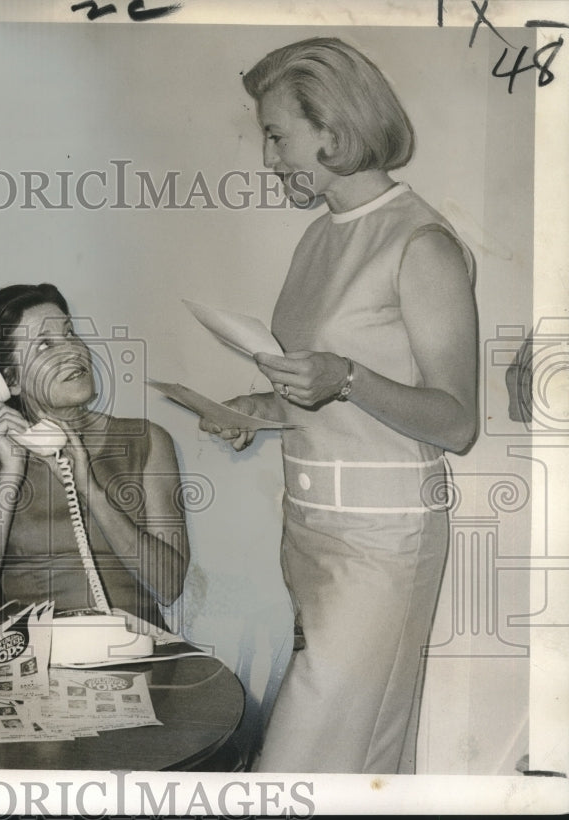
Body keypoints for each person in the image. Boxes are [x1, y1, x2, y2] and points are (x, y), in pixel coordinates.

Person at [201, 38, 478, 774]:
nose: (269, 158)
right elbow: (320, 391)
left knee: (299, 766)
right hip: (310, 530)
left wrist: (346, 376)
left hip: (383, 543)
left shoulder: (421, 243)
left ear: (334, 129)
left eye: (277, 134)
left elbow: (456, 421)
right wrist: (258, 406)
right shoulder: (317, 239)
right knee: (361, 764)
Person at [0, 283, 190, 630]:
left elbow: (169, 585)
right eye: (45, 344)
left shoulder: (148, 441)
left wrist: (89, 489)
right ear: (9, 381)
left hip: (137, 651)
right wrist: (10, 474)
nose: (73, 351)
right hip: (38, 660)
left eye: (70, 333)